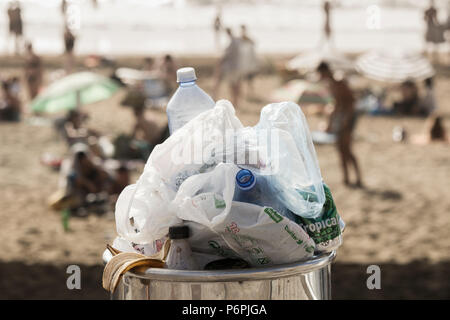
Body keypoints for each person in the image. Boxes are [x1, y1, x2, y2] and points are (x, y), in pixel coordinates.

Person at [317, 62, 363, 187]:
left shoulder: (339, 83)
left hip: (347, 118)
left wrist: (345, 121)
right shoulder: (332, 84)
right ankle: (346, 178)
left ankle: (358, 178)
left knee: (346, 149)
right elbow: (337, 104)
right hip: (340, 118)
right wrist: (330, 121)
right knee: (340, 149)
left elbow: (350, 103)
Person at [214, 28, 242, 108]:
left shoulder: (232, 42)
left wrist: (220, 62)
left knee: (233, 85)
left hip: (232, 68)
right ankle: (235, 101)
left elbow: (227, 55)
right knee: (235, 85)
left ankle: (234, 101)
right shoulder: (236, 41)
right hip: (236, 66)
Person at [239, 25, 259, 97]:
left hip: (248, 64)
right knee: (247, 80)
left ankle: (250, 92)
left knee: (249, 80)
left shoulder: (247, 40)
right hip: (246, 64)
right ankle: (248, 92)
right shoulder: (243, 39)